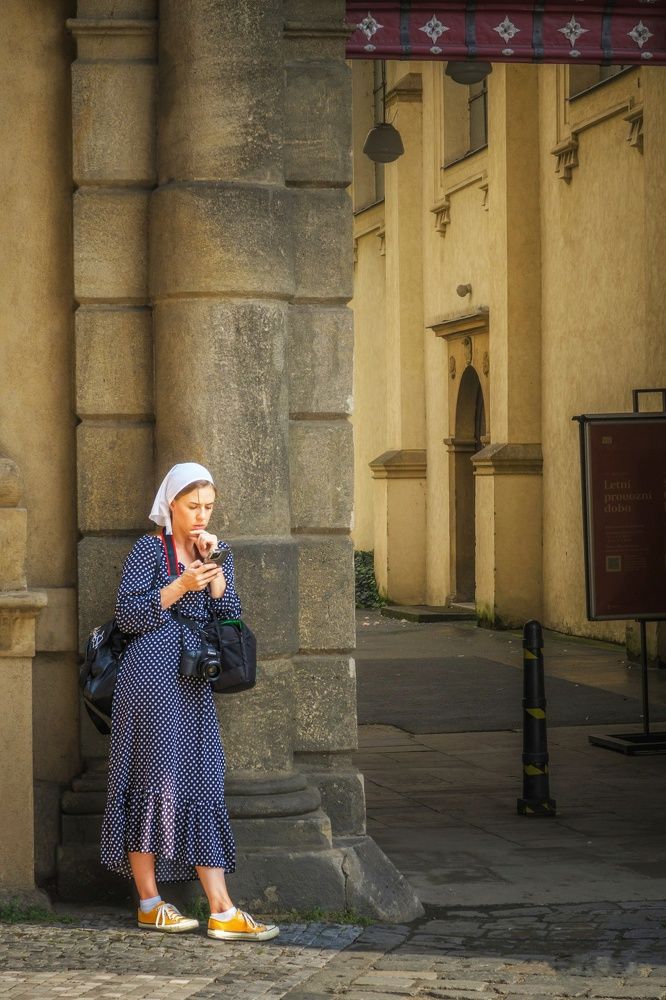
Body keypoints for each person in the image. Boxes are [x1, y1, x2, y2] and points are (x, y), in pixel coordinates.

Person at [99, 462, 279, 940]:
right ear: (171, 505)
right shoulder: (148, 550)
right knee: (151, 781)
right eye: (193, 506)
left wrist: (216, 576)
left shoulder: (218, 551)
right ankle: (150, 901)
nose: (201, 515)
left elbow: (230, 617)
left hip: (193, 683)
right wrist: (179, 585)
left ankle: (221, 909)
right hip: (149, 681)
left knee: (203, 781)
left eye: (209, 507)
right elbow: (128, 616)